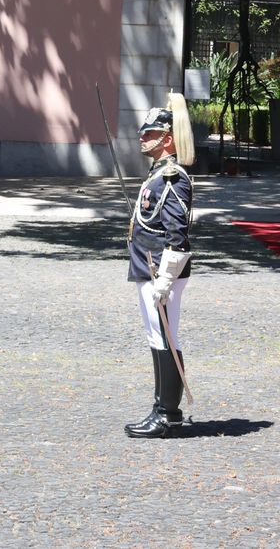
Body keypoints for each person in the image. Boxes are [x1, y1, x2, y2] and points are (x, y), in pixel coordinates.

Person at [124, 92, 195, 438]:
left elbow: (177, 233)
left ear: (167, 139)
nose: (143, 137)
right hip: (147, 266)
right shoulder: (158, 173)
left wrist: (166, 279)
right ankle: (160, 408)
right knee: (156, 336)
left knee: (165, 338)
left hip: (159, 270)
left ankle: (168, 414)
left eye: (150, 133)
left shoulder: (172, 176)